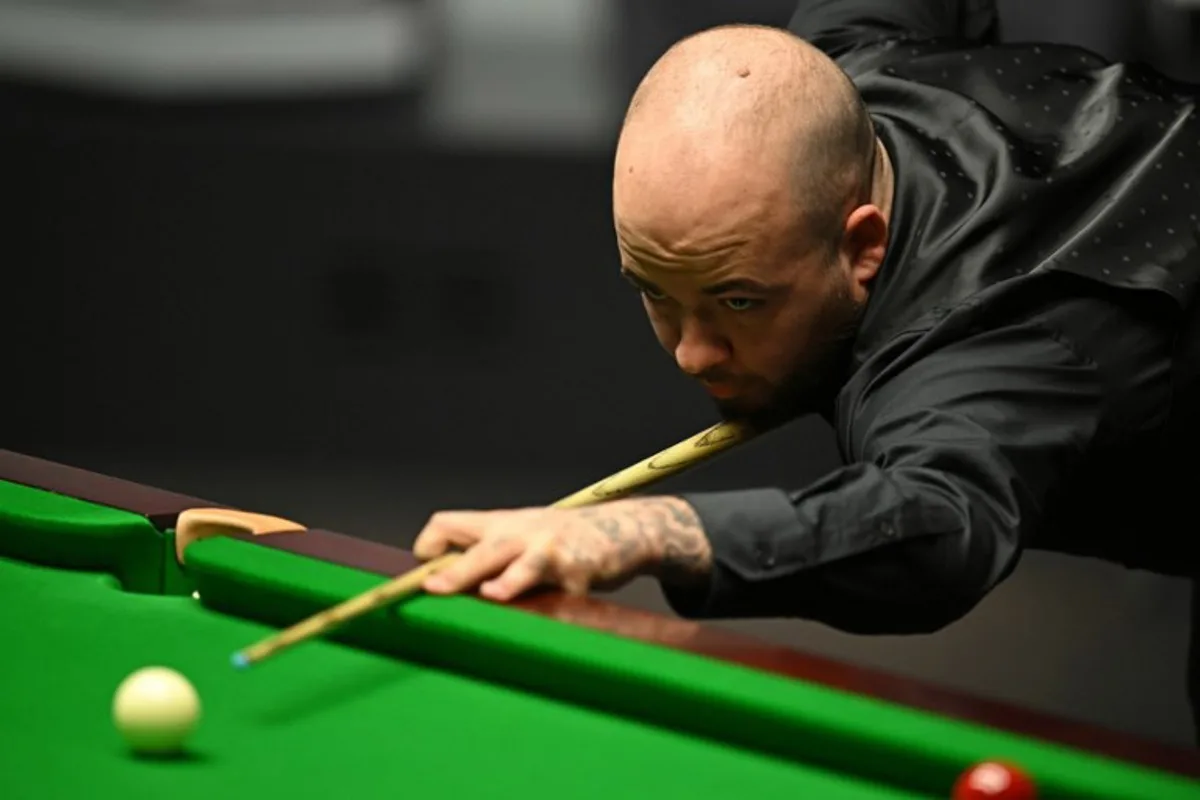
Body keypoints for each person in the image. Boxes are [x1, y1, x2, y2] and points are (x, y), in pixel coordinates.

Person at [413, 1, 1200, 734]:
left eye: (740, 301)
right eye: (655, 293)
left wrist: (645, 531)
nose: (693, 352)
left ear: (862, 246)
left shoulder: (983, 344)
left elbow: (938, 526)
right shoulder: (848, 55)